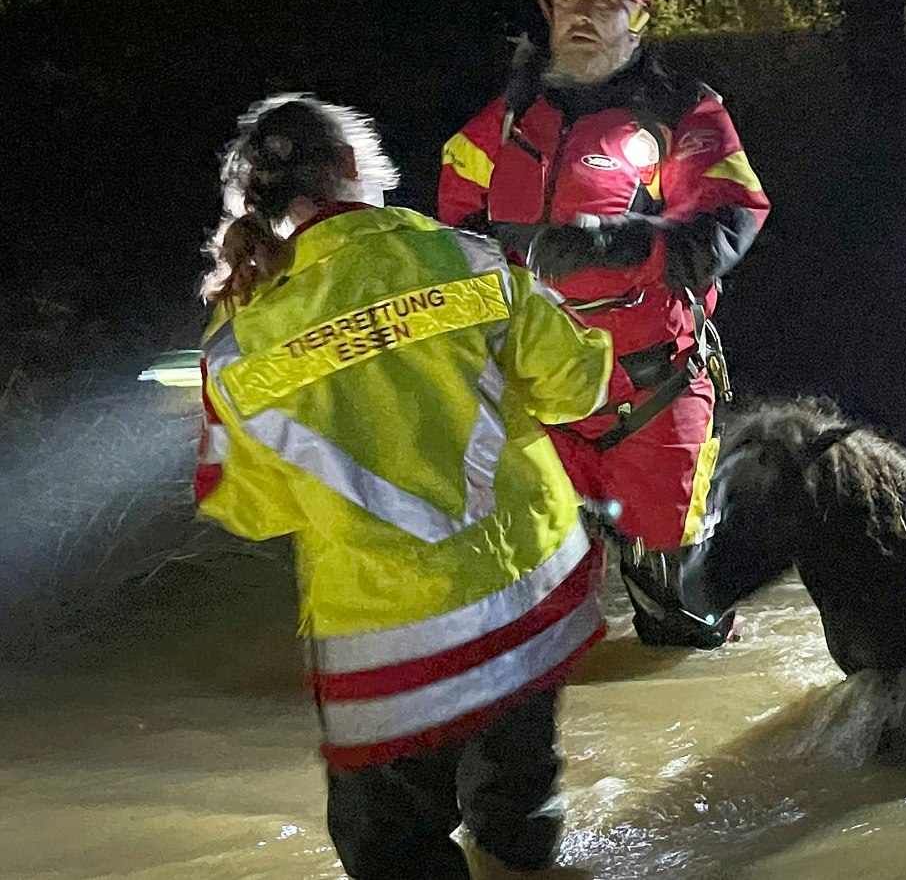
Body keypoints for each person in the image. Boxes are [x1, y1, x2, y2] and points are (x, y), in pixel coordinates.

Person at [195, 95, 615, 879]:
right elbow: (578, 383)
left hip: (392, 643)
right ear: (356, 168)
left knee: (390, 846)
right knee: (515, 809)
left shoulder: (236, 343)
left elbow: (247, 507)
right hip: (530, 599)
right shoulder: (470, 260)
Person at [438, 0, 771, 649]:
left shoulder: (684, 111)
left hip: (652, 389)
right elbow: (451, 231)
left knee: (680, 616)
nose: (581, 16)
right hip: (535, 392)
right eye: (567, 2)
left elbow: (728, 221)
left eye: (604, 3)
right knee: (519, 609)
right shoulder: (500, 125)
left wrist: (614, 242)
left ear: (639, 16)